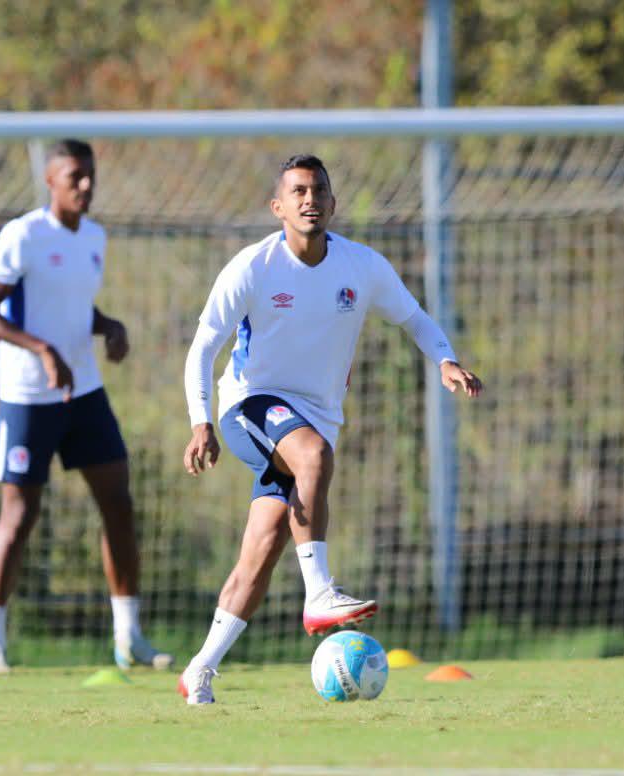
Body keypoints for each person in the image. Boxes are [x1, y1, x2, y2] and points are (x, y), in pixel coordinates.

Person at [177, 154, 482, 705]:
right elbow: (203, 348)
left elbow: (415, 317)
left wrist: (445, 359)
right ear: (278, 207)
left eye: (318, 190)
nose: (308, 199)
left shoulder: (361, 267)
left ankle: (200, 668)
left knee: (263, 549)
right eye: (297, 191)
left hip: (314, 417)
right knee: (313, 457)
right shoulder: (253, 267)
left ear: (333, 204)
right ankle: (319, 592)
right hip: (250, 405)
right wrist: (200, 422)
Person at [0, 139, 172, 675]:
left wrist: (108, 326)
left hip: (84, 391)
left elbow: (74, 305)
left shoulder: (95, 238)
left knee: (119, 503)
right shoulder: (23, 235)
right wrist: (41, 350)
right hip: (29, 397)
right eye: (74, 176)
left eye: (90, 175)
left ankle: (130, 639)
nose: (85, 185)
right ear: (50, 181)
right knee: (21, 513)